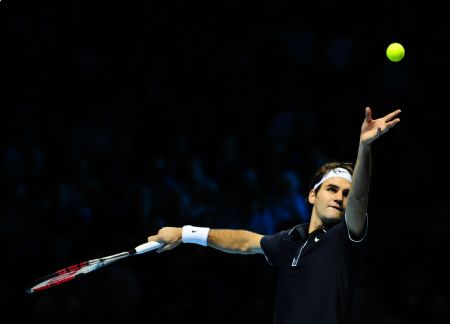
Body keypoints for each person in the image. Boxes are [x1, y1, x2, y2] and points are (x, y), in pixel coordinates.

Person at [147, 107, 401, 324]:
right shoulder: (290, 239)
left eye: (345, 193)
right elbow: (245, 242)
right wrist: (184, 233)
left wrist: (364, 147)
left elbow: (359, 198)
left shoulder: (345, 237)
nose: (340, 197)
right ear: (313, 195)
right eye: (332, 189)